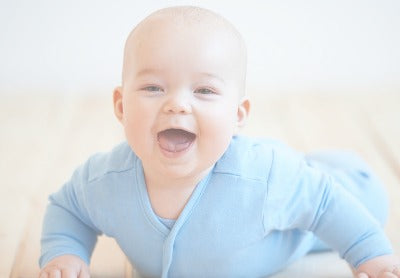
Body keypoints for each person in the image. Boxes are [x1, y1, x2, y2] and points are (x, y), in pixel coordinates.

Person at [39, 6, 399, 278]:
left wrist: (371, 255)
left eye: (204, 90)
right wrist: (64, 252)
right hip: (285, 178)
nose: (177, 103)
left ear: (238, 114)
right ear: (121, 105)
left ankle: (334, 166)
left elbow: (325, 203)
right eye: (153, 88)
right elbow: (68, 208)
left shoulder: (262, 179)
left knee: (347, 194)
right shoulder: (104, 181)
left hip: (335, 190)